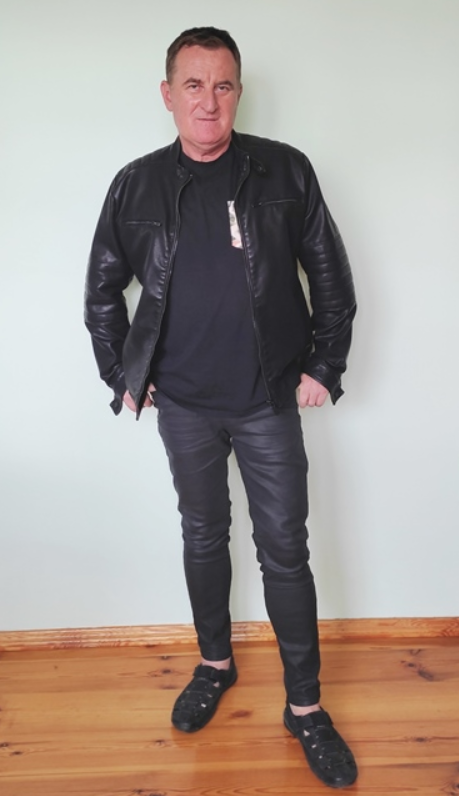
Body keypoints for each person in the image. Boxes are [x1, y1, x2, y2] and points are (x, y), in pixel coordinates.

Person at [85, 27, 357, 789]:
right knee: (202, 535)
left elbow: (330, 277)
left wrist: (323, 365)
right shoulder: (135, 184)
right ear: (168, 94)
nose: (208, 101)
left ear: (238, 93)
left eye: (223, 85)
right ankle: (214, 664)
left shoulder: (284, 170)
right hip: (184, 404)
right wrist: (124, 373)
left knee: (284, 548)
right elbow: (101, 289)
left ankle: (304, 707)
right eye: (193, 85)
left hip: (267, 398)